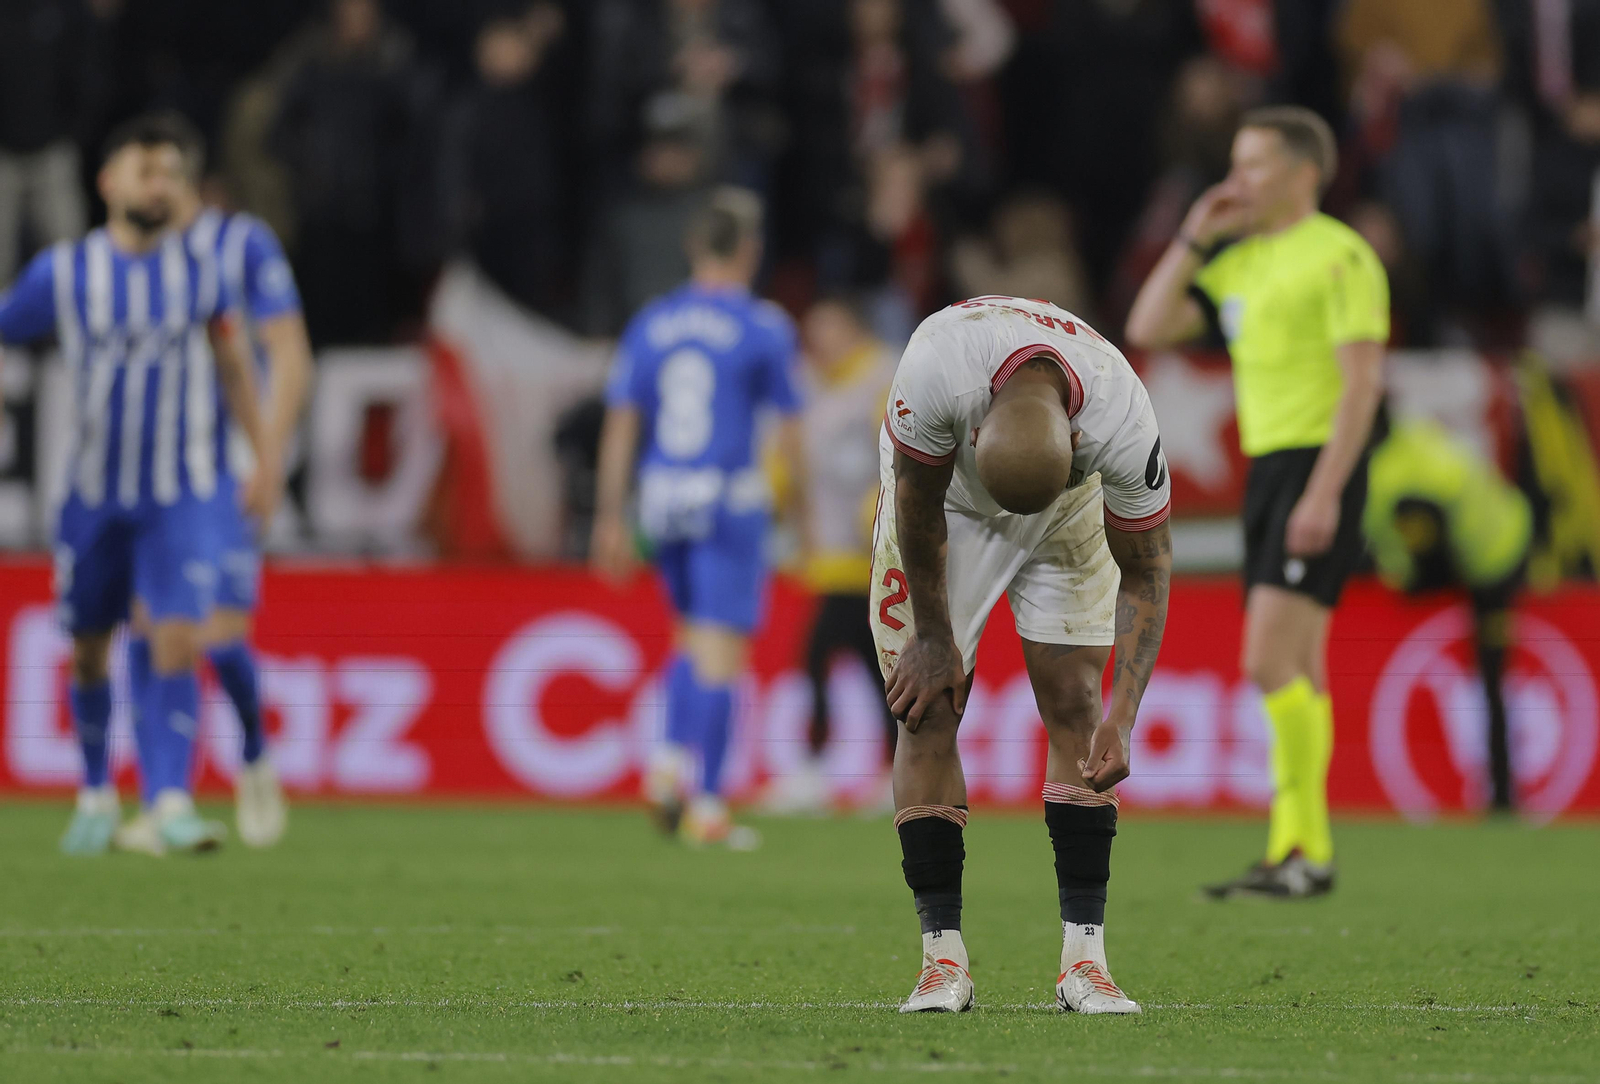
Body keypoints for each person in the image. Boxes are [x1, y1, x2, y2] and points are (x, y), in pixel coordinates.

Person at [873, 295, 1172, 1014]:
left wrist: (1124, 716)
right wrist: (938, 642)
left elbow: (1148, 570)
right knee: (926, 709)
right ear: (975, 434)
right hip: (947, 504)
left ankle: (1086, 964)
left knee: (1077, 702)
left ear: (1077, 443)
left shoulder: (1123, 419)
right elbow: (915, 503)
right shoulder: (936, 366)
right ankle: (941, 962)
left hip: (1071, 514)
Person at [0, 112, 280, 855]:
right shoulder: (65, 274)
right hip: (92, 495)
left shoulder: (204, 271)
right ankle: (96, 792)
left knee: (177, 635)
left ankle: (170, 802)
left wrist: (264, 460)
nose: (162, 187)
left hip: (180, 492)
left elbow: (234, 368)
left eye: (173, 175)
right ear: (109, 181)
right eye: (147, 171)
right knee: (90, 649)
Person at [1125, 106, 1388, 899]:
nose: (1239, 180)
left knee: (1267, 660)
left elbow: (1363, 384)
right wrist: (1195, 237)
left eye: (1256, 165)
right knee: (1299, 663)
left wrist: (1326, 490)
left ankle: (1297, 847)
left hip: (1317, 466)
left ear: (1306, 172)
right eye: (1235, 164)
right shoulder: (1237, 263)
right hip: (1269, 472)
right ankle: (1304, 853)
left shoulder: (1341, 255)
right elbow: (1148, 322)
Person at [591, 187, 804, 848]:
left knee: (687, 638)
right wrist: (795, 509)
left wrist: (610, 515)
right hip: (725, 497)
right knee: (721, 654)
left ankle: (664, 764)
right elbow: (789, 432)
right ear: (749, 250)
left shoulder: (652, 322)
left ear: (692, 247)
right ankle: (706, 803)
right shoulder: (763, 326)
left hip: (661, 496)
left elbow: (622, 423)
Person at [159, 165, 312, 848]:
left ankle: (253, 751)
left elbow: (289, 352)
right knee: (158, 629)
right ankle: (165, 801)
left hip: (225, 466)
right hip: (149, 474)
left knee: (218, 636)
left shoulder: (242, 245)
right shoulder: (120, 258)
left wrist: (266, 454)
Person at [761, 295, 896, 814]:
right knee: (870, 666)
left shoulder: (880, 379)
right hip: (824, 556)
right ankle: (892, 770)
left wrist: (879, 512)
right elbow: (786, 454)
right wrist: (775, 491)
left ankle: (815, 769)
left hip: (866, 554)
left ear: (853, 328)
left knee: (820, 658)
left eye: (830, 330)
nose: (820, 343)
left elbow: (902, 454)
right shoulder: (809, 383)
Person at [1363, 414, 1532, 812]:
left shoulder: (1400, 481)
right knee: (1491, 684)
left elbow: (1431, 563)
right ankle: (1502, 796)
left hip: (1496, 564)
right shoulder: (1411, 442)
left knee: (1492, 679)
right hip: (1503, 530)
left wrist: (1407, 583)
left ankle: (1503, 794)